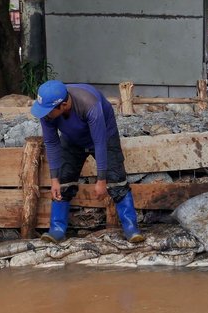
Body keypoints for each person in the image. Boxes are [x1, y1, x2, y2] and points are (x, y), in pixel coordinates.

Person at [31, 80, 145, 243]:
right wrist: (54, 179)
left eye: (47, 111)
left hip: (103, 136)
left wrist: (101, 180)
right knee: (64, 180)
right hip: (72, 139)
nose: (44, 114)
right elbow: (51, 142)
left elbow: (100, 142)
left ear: (63, 105)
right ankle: (56, 229)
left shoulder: (89, 104)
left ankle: (131, 228)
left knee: (117, 181)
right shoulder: (47, 112)